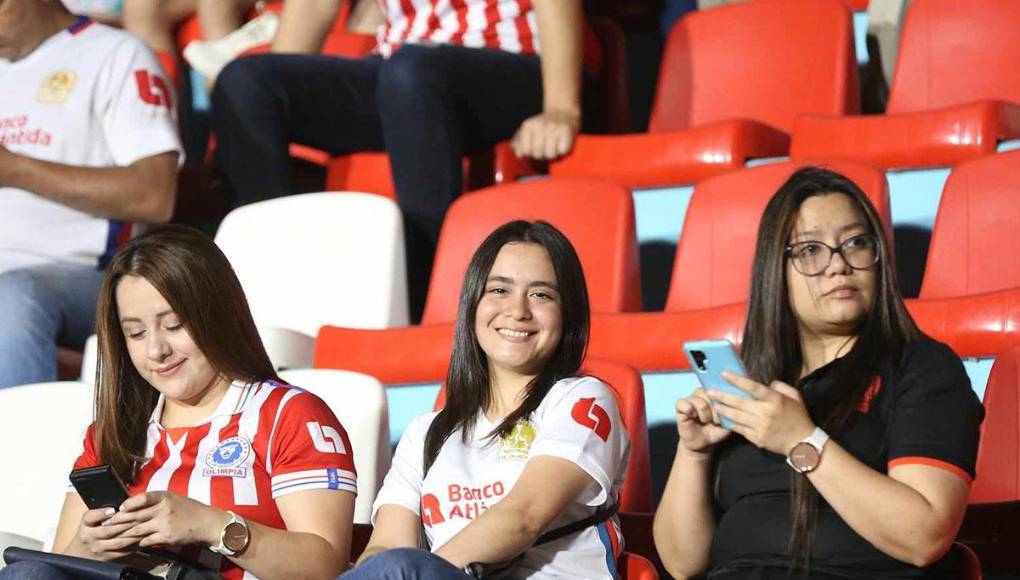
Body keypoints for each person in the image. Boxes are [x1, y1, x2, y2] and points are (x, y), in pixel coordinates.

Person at [653, 166, 983, 579]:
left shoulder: (923, 368)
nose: (838, 265)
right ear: (777, 271)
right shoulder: (755, 388)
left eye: (856, 243)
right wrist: (694, 452)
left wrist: (801, 440)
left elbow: (925, 536)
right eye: (810, 250)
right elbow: (682, 564)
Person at [0, 225, 357, 579]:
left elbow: (326, 566)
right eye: (136, 333)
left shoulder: (288, 414)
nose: (156, 350)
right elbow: (62, 566)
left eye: (173, 325)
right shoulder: (110, 434)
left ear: (218, 314)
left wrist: (210, 525)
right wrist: (89, 546)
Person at [210, 0, 584, 321]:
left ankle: (432, 303)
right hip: (399, 71)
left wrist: (560, 108)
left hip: (513, 60)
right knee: (247, 82)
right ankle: (263, 300)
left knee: (412, 73)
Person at [342, 220, 629, 579]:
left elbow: (522, 518)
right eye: (498, 290)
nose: (518, 310)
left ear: (567, 314)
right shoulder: (426, 434)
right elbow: (386, 545)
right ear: (472, 304)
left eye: (541, 295)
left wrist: (419, 570)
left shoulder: (582, 400)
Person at [0, 0, 181, 389]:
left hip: (91, 279)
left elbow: (155, 194)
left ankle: (15, 447)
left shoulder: (114, 55)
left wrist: (14, 169)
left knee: (14, 297)